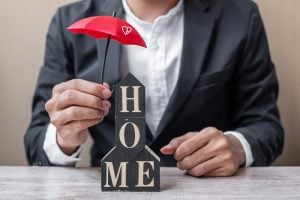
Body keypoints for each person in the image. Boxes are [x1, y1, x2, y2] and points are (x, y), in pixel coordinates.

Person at [25, 0, 284, 177]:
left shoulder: (239, 16)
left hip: (208, 187)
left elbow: (266, 125)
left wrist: (237, 147)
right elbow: (35, 143)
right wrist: (64, 138)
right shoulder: (70, 22)